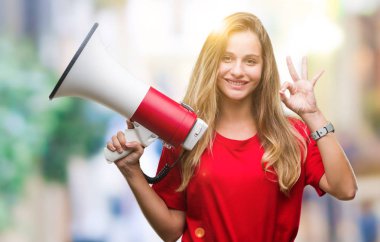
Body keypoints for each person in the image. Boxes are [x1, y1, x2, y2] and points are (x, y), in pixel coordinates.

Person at [106, 12, 358, 242]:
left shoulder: (293, 134)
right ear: (212, 63)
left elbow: (345, 189)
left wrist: (313, 115)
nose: (237, 71)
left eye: (250, 61)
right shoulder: (184, 133)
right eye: (227, 58)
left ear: (264, 68)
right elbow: (171, 230)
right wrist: (132, 172)